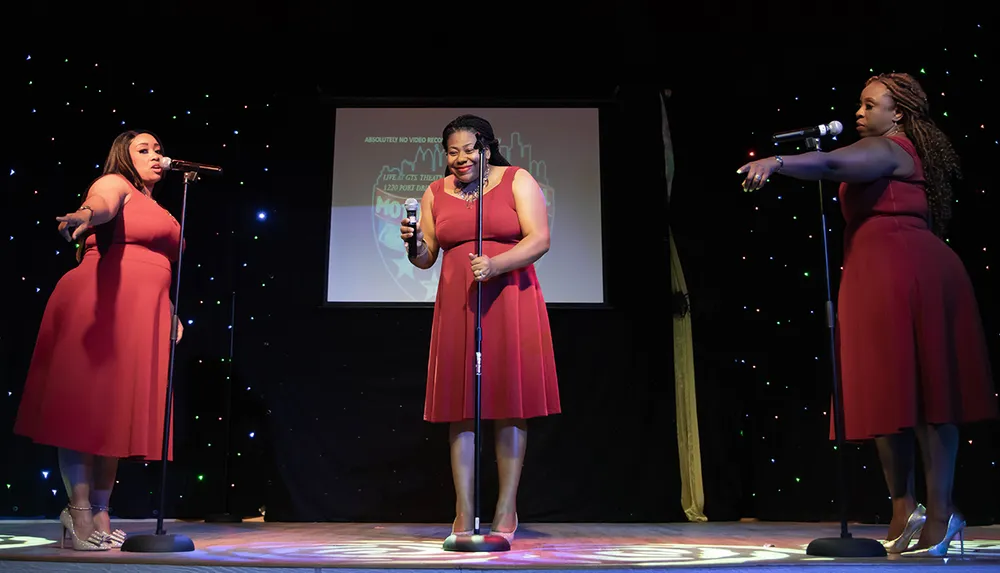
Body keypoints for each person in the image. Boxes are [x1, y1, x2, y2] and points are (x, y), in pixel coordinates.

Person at [737, 73, 996, 557]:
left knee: (928, 396)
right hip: (873, 275)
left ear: (896, 113)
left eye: (869, 104)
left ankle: (942, 514)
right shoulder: (874, 148)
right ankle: (904, 510)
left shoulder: (893, 149)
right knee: (885, 397)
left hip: (913, 274)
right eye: (859, 104)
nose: (859, 113)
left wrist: (776, 162)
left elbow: (832, 161)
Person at [13, 130, 184, 551]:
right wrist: (83, 216)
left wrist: (172, 312)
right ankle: (80, 511)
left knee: (116, 414)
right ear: (122, 158)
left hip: (143, 314)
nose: (154, 154)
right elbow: (101, 206)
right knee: (85, 409)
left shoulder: (158, 206)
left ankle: (103, 510)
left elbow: (157, 265)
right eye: (142, 149)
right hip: (99, 304)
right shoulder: (115, 184)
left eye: (157, 149)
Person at [399, 114, 560, 543]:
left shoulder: (517, 180)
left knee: (508, 401)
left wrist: (496, 264)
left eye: (469, 149)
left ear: (487, 146)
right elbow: (426, 256)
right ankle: (464, 513)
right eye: (452, 152)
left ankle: (506, 510)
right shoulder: (435, 192)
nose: (460, 158)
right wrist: (413, 243)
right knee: (461, 405)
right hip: (459, 302)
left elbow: (539, 238)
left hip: (510, 297)